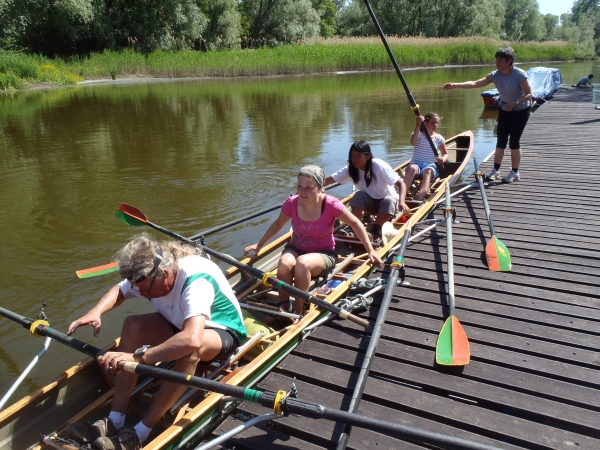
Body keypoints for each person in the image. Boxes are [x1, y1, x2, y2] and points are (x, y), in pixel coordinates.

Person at [64, 233, 247, 450]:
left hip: (221, 332)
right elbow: (120, 291)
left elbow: (191, 339)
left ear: (166, 274)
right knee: (132, 324)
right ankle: (115, 420)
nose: (140, 293)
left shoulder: (195, 281)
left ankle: (141, 432)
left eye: (145, 290)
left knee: (190, 350)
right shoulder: (148, 276)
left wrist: (137, 357)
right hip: (180, 323)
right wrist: (96, 312)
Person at [244, 165, 382, 320]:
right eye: (300, 186)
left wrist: (370, 250)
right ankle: (284, 305)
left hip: (324, 254)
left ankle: (298, 309)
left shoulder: (330, 205)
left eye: (309, 188)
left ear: (320, 188)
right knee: (284, 262)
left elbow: (355, 223)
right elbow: (278, 224)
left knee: (302, 263)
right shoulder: (291, 203)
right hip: (296, 247)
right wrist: (259, 245)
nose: (302, 192)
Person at [444, 46, 532, 184]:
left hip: (521, 110)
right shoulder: (495, 75)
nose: (497, 63)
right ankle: (496, 171)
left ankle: (515, 172)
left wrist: (515, 102)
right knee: (500, 141)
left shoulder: (519, 74)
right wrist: (455, 85)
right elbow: (475, 83)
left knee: (514, 142)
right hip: (505, 109)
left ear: (509, 61)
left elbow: (529, 94)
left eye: (501, 60)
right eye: (496, 59)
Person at [323, 141, 409, 238]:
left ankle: (374, 230)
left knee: (389, 200)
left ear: (368, 156)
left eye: (358, 156)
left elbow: (401, 184)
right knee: (358, 195)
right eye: (352, 156)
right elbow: (329, 180)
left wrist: (402, 202)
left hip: (388, 205)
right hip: (370, 205)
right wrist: (309, 183)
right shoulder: (351, 169)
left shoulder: (378, 165)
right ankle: (353, 229)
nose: (355, 160)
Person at [404, 113, 449, 200]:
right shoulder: (418, 134)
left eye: (437, 122)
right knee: (412, 168)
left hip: (430, 165)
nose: (435, 125)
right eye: (433, 122)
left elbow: (446, 154)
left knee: (428, 171)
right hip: (416, 164)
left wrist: (442, 160)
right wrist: (418, 125)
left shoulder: (438, 138)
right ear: (425, 123)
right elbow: (413, 143)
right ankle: (402, 197)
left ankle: (419, 199)